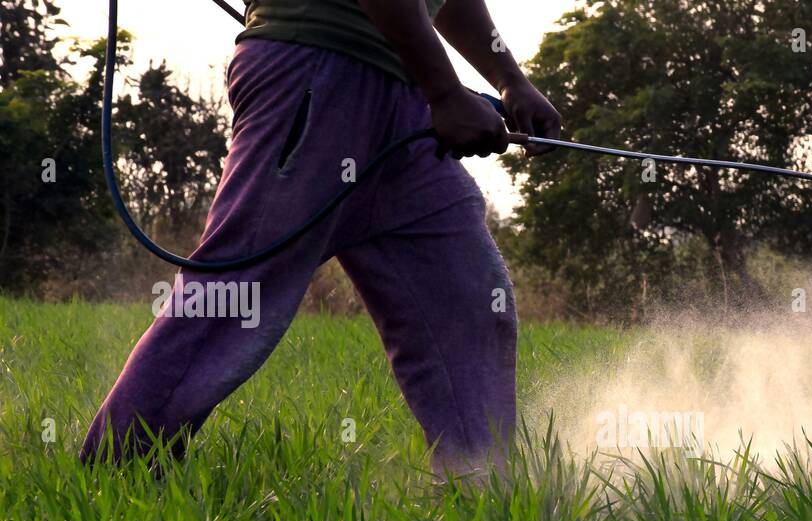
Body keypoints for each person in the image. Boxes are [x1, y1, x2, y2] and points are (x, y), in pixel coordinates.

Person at [81, 0, 562, 478]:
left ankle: (481, 491)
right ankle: (114, 473)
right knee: (233, 298)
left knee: (467, 300)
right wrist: (445, 92)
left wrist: (510, 80)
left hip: (405, 97)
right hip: (316, 74)